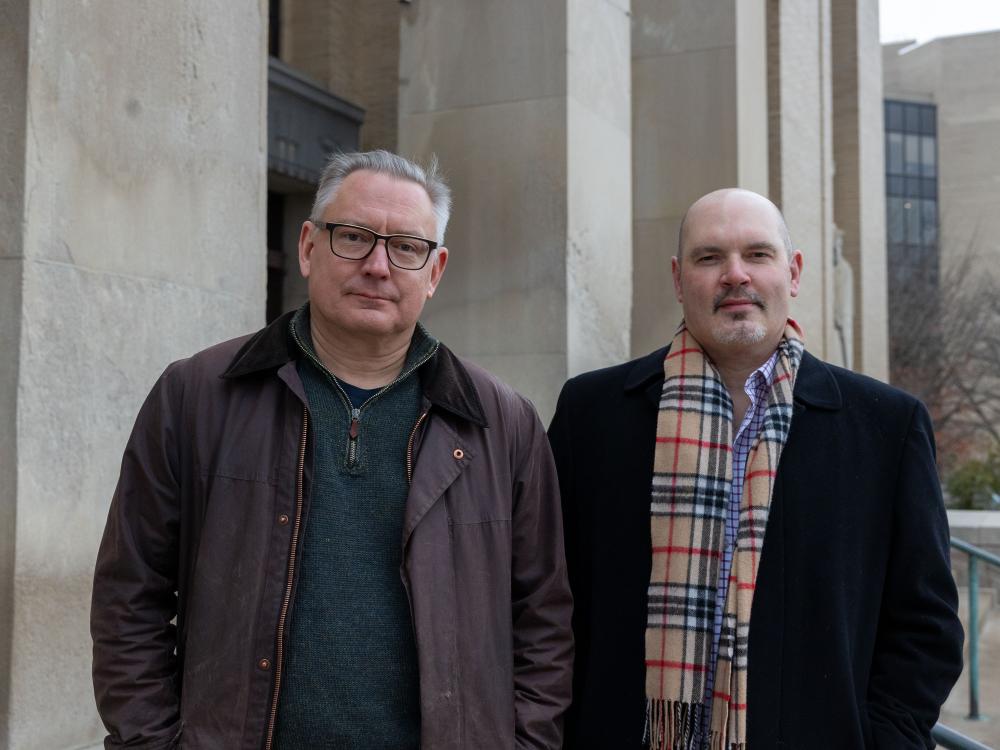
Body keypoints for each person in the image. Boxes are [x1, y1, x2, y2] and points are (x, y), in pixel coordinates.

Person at [91, 150, 573, 749]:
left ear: (435, 271)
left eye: (406, 247)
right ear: (308, 246)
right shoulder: (197, 395)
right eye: (353, 237)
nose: (378, 265)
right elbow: (128, 597)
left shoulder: (503, 424)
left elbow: (542, 624)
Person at [548, 188, 963, 749]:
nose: (735, 274)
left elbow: (925, 626)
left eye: (758, 254)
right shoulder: (591, 415)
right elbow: (546, 605)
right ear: (678, 280)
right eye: (709, 257)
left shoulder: (888, 427)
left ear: (793, 273)